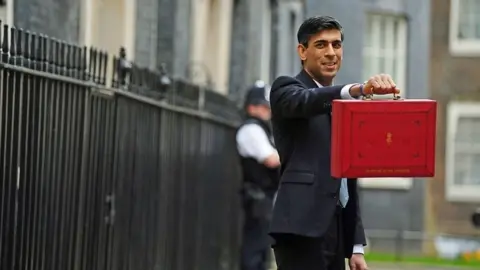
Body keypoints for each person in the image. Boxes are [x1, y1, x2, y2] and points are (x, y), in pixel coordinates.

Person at [268, 16, 401, 270]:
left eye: (336, 45)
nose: (331, 53)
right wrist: (356, 90)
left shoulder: (347, 107)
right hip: (300, 229)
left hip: (336, 231)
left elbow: (348, 178)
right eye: (321, 45)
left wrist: (356, 246)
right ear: (302, 51)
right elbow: (308, 100)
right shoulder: (286, 88)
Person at [236, 81, 281, 270]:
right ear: (251, 107)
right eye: (264, 107)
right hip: (257, 197)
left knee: (261, 248)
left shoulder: (261, 129)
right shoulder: (251, 129)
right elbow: (271, 159)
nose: (268, 111)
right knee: (255, 248)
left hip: (264, 197)